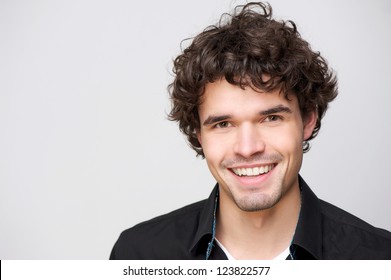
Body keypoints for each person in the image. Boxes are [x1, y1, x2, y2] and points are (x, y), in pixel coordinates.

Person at [110, 2, 391, 260]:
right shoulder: (141, 254)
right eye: (223, 124)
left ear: (307, 121)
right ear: (199, 135)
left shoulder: (378, 257)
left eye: (270, 118)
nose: (248, 147)